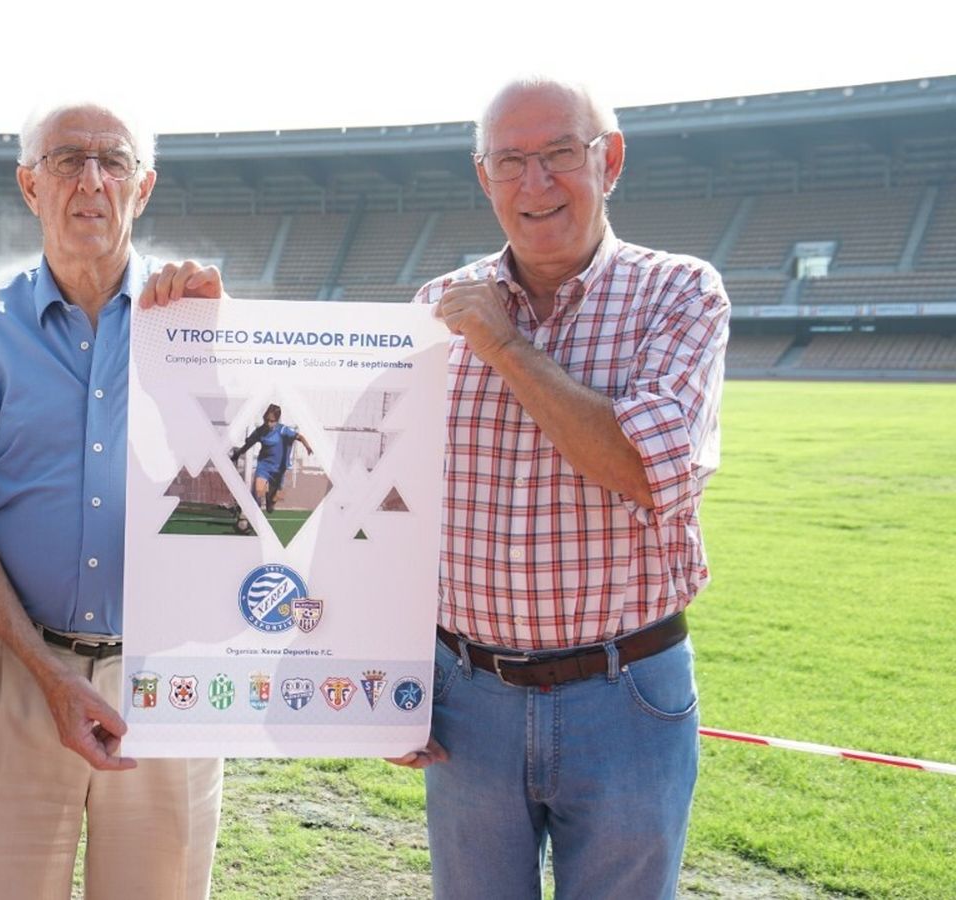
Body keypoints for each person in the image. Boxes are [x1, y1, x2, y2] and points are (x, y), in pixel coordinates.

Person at [390, 76, 729, 900]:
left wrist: (505, 346)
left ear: (608, 161)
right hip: (467, 698)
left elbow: (647, 470)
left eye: (559, 156)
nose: (535, 184)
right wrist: (383, 679)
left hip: (625, 697)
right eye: (511, 161)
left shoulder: (678, 292)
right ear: (484, 176)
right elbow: (382, 503)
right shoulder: (435, 309)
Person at [0, 101, 225, 899]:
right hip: (14, 674)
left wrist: (223, 354)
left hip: (166, 679)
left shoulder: (201, 321)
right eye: (66, 160)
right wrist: (48, 674)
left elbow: (253, 500)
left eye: (114, 161)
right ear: (31, 185)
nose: (91, 180)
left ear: (144, 186)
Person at [230, 403, 313, 512]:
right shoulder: (260, 431)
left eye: (272, 421)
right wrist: (238, 453)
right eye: (266, 420)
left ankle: (270, 501)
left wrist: (307, 447)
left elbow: (300, 437)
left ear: (277, 420)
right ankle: (255, 511)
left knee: (272, 502)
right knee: (258, 491)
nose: (268, 423)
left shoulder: (283, 430)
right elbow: (248, 445)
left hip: (278, 470)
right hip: (264, 465)